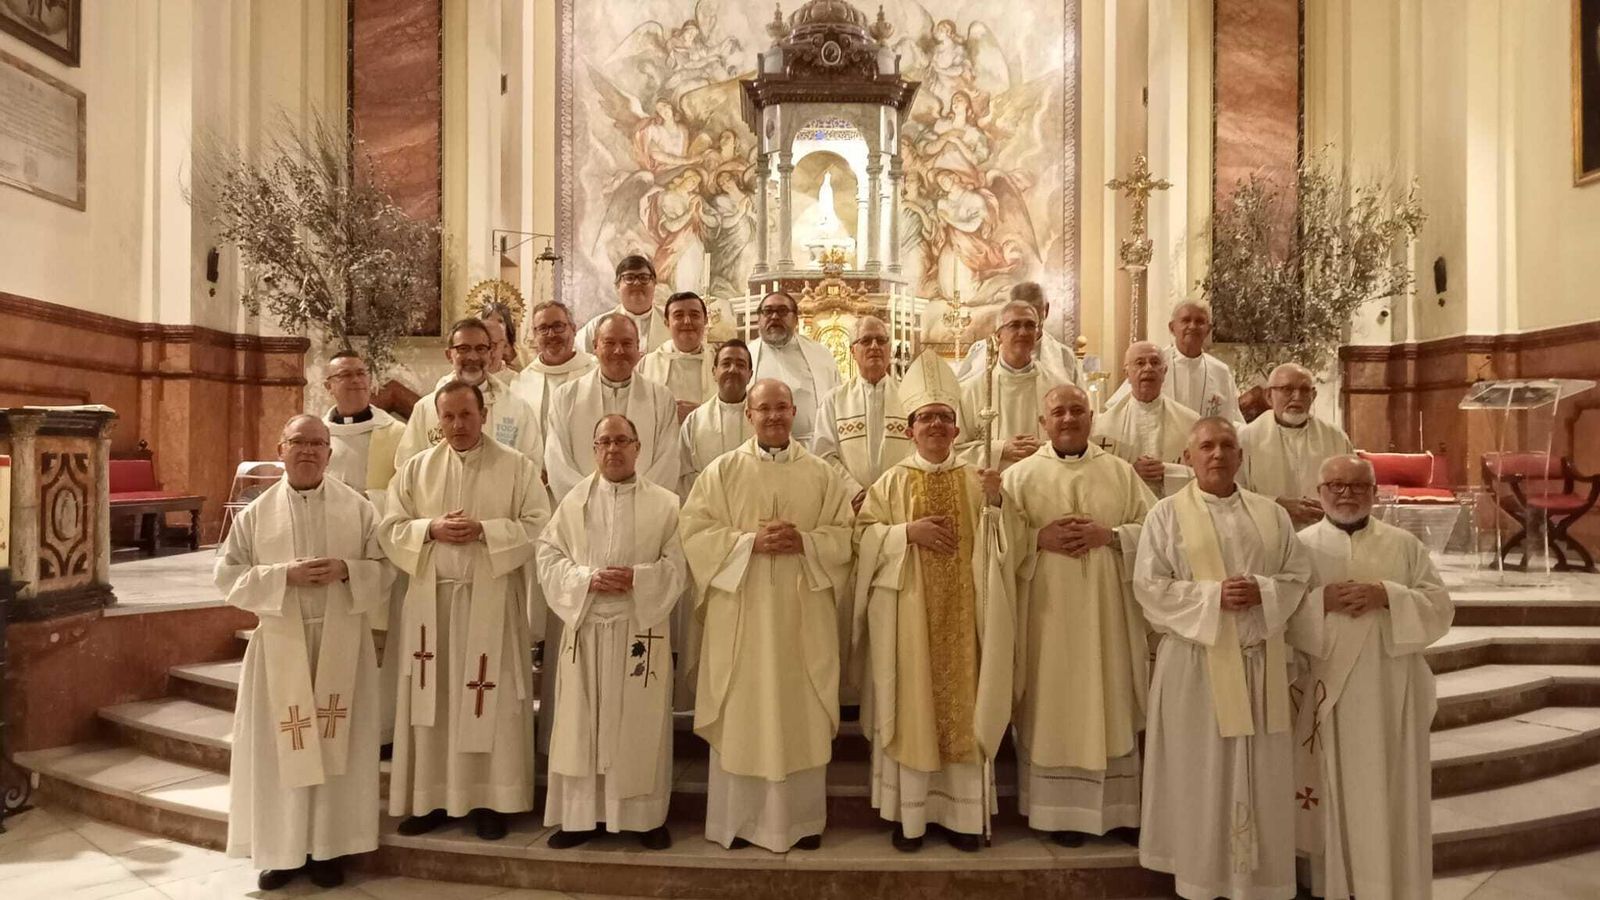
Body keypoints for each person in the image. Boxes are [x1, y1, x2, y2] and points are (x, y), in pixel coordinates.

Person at [1133, 417, 1313, 900]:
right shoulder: (1165, 515)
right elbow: (1148, 586)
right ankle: (1199, 876)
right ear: (1187, 458)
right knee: (1200, 773)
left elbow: (1297, 574)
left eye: (1227, 445)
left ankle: (1259, 882)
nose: (1217, 454)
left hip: (1259, 664)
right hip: (1196, 665)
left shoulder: (1270, 514)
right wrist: (1214, 597)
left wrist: (1263, 590)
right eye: (1206, 446)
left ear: (1241, 455)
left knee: (1262, 774)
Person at [215, 415, 390, 891]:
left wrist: (348, 569)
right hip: (280, 645)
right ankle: (283, 851)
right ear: (281, 449)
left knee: (338, 748)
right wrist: (282, 576)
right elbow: (227, 576)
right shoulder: (255, 514)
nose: (308, 450)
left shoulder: (358, 508)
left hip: (341, 642)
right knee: (280, 751)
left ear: (330, 453)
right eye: (298, 442)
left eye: (317, 443)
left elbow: (385, 569)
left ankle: (329, 848)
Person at [682, 379, 855, 852]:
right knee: (744, 716)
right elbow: (694, 532)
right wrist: (748, 543)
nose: (774, 416)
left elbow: (845, 537)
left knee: (799, 715)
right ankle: (739, 822)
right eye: (764, 409)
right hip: (742, 618)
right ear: (749, 415)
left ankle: (801, 823)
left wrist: (807, 542)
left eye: (782, 408)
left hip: (802, 619)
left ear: (795, 412)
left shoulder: (822, 474)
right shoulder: (721, 472)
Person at [852, 351, 1014, 853]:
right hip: (908, 620)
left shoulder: (977, 480)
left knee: (965, 708)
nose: (936, 425)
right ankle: (911, 819)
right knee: (913, 708)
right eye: (926, 418)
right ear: (911, 429)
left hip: (967, 621)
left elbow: (1008, 545)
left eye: (945, 417)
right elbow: (862, 538)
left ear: (957, 427)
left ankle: (963, 819)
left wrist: (997, 503)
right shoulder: (893, 481)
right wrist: (905, 533)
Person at [380, 381, 550, 841]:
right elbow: (389, 528)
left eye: (466, 415)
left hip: (491, 602)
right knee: (433, 703)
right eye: (449, 416)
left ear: (484, 415)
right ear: (438, 420)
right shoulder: (415, 469)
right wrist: (429, 528)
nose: (458, 425)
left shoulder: (516, 467)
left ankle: (491, 800)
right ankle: (432, 798)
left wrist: (486, 531)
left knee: (489, 699)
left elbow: (540, 525)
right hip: (431, 608)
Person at [1291, 455, 1453, 900]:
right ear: (1319, 492)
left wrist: (1386, 595)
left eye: (1358, 486)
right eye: (1336, 486)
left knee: (1390, 794)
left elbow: (1440, 608)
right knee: (1333, 789)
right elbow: (1280, 616)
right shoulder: (1300, 547)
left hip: (1391, 692)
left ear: (1375, 493)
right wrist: (1321, 602)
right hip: (1329, 693)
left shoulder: (1403, 545)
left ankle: (1390, 887)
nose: (1347, 494)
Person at [1004, 385, 1154, 847]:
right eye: (1058, 412)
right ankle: (1060, 812)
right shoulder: (1019, 477)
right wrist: (1036, 539)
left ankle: (1119, 809)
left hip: (1108, 615)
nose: (1068, 419)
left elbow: (1156, 531)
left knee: (1110, 695)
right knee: (1055, 701)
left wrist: (1111, 536)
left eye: (1076, 411)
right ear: (1042, 422)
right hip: (1046, 617)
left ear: (1091, 418)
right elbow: (996, 544)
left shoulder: (1121, 473)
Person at [537, 414, 688, 851]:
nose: (613, 449)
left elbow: (680, 564)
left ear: (638, 448)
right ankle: (579, 817)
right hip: (587, 629)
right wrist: (586, 579)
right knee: (579, 726)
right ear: (594, 449)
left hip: (638, 629)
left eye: (622, 440)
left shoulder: (666, 505)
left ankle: (644, 818)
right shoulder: (573, 503)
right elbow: (547, 556)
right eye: (604, 442)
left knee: (639, 725)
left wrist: (638, 579)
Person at [544, 314, 680, 504]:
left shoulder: (661, 398)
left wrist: (639, 502)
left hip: (644, 509)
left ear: (638, 347)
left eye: (627, 343)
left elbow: (668, 462)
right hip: (582, 510)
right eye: (609, 343)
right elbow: (558, 462)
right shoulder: (566, 397)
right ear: (595, 346)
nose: (618, 350)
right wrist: (591, 503)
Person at [396, 318, 542, 466]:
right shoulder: (425, 409)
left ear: (490, 354)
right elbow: (406, 467)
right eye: (463, 349)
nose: (473, 357)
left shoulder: (517, 409)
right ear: (449, 355)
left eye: (480, 349)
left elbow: (531, 468)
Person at [1238, 363, 1355, 528]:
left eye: (1305, 390)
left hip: (1324, 531)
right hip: (1268, 532)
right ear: (1269, 396)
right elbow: (1234, 493)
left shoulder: (1335, 437)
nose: (1297, 397)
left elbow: (1355, 485)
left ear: (1313, 396)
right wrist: (1277, 504)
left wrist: (1331, 505)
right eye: (1287, 389)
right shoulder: (1246, 438)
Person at [957, 300, 1071, 470]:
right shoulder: (969, 391)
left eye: (1030, 326)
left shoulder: (1060, 388)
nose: (1023, 332)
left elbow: (1075, 441)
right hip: (993, 483)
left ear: (1037, 333)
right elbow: (955, 450)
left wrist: (1045, 449)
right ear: (998, 335)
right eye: (1014, 325)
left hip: (1044, 479)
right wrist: (999, 450)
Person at [814, 315, 912, 512]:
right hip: (852, 505)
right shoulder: (834, 400)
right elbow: (823, 454)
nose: (874, 346)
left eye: (881, 340)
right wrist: (854, 492)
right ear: (853, 350)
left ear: (889, 349)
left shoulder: (909, 397)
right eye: (866, 340)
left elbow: (918, 449)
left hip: (900, 502)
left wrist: (896, 492)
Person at [1092, 341, 1198, 497]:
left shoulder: (1191, 422)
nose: (1148, 368)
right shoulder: (1102, 426)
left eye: (1155, 362)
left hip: (1174, 506)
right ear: (1127, 373)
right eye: (1140, 363)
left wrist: (1169, 472)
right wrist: (1131, 472)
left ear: (1164, 371)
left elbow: (1203, 473)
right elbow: (1096, 476)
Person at [1110, 301, 1243, 421]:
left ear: (1208, 330)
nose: (1193, 326)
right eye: (1186, 320)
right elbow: (1118, 408)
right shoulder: (1154, 364)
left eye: (1199, 321)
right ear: (1172, 328)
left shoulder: (1221, 372)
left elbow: (1233, 420)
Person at [746, 290, 841, 448]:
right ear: (759, 319)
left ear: (796, 319)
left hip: (813, 447)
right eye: (768, 311)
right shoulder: (746, 355)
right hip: (761, 448)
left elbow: (837, 401)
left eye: (782, 311)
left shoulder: (820, 354)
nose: (774, 317)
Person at [955, 282, 1085, 389]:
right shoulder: (982, 351)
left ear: (1046, 310)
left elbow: (1079, 402)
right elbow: (962, 394)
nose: (1023, 332)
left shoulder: (1064, 357)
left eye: (1030, 320)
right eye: (1018, 312)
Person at [321, 351, 404, 504]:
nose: (356, 380)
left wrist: (363, 499)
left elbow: (409, 489)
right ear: (329, 386)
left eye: (361, 373)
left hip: (378, 516)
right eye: (345, 375)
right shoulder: (317, 435)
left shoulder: (397, 432)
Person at [678, 339, 754, 500]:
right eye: (726, 364)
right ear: (714, 372)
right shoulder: (695, 421)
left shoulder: (763, 418)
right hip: (707, 506)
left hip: (754, 505)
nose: (733, 370)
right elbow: (683, 475)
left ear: (750, 375)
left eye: (740, 365)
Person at [510, 301, 598, 437]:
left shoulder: (595, 372)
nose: (551, 334)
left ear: (573, 329)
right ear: (535, 334)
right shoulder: (522, 382)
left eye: (558, 326)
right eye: (543, 328)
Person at [637, 290, 716, 420]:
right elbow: (636, 409)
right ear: (666, 322)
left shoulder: (719, 363)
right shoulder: (647, 364)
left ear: (706, 320)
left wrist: (697, 414)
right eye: (678, 315)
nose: (687, 321)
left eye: (694, 315)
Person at [575, 255, 672, 354]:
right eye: (629, 278)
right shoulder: (596, 327)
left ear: (654, 284)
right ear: (618, 285)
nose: (637, 283)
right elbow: (579, 358)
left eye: (644, 278)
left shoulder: (672, 322)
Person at [479, 301, 524, 373]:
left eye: (500, 321)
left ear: (507, 323)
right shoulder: (482, 351)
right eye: (490, 321)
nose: (496, 325)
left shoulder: (524, 353)